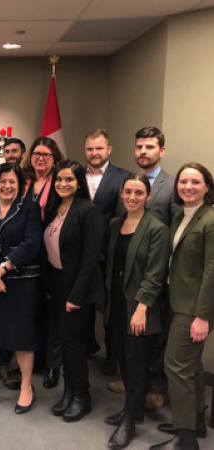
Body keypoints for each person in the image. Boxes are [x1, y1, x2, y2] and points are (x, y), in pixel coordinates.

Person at [150, 163, 214, 450]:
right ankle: (196, 420)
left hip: (194, 307)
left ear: (207, 187)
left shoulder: (210, 220)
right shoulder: (182, 216)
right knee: (192, 367)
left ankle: (185, 438)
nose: (187, 186)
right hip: (178, 300)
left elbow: (212, 271)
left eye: (195, 182)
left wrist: (203, 316)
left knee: (175, 366)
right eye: (183, 181)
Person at [102, 174, 169, 449]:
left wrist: (141, 308)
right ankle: (132, 409)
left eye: (139, 193)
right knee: (124, 360)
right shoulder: (116, 224)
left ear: (148, 196)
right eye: (128, 191)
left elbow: (155, 275)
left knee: (137, 363)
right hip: (117, 301)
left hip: (139, 306)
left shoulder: (157, 228)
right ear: (121, 193)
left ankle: (129, 422)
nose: (132, 197)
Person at [0, 163, 42, 414]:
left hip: (22, 282)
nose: (7, 186)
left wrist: (2, 269)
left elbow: (31, 244)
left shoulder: (30, 208)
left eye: (12, 181)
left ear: (20, 184)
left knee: (22, 338)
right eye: (2, 181)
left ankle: (26, 386)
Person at [43, 160, 103, 422]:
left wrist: (75, 296)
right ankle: (68, 391)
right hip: (57, 282)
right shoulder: (56, 208)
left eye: (69, 179)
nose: (63, 184)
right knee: (64, 343)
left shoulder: (86, 210)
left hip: (77, 287)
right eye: (59, 179)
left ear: (79, 182)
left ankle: (82, 396)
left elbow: (91, 258)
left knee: (75, 344)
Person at [133, 126, 181, 412]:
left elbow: (175, 237)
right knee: (137, 335)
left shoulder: (173, 186)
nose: (143, 152)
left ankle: (158, 389)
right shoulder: (132, 182)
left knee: (158, 334)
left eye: (149, 147)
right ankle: (136, 381)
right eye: (139, 147)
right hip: (133, 275)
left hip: (159, 277)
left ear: (161, 150)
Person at [84, 129, 130, 376]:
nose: (94, 153)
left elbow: (123, 218)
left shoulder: (123, 177)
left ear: (109, 150)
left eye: (99, 148)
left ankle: (113, 359)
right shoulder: (75, 176)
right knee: (83, 306)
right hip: (82, 256)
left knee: (112, 311)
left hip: (109, 255)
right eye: (90, 148)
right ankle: (87, 346)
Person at [20, 137, 64, 389]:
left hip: (50, 254)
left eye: (46, 155)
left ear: (54, 158)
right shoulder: (23, 181)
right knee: (30, 308)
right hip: (26, 254)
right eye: (37, 153)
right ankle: (34, 356)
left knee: (52, 311)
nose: (40, 158)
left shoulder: (59, 182)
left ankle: (52, 364)